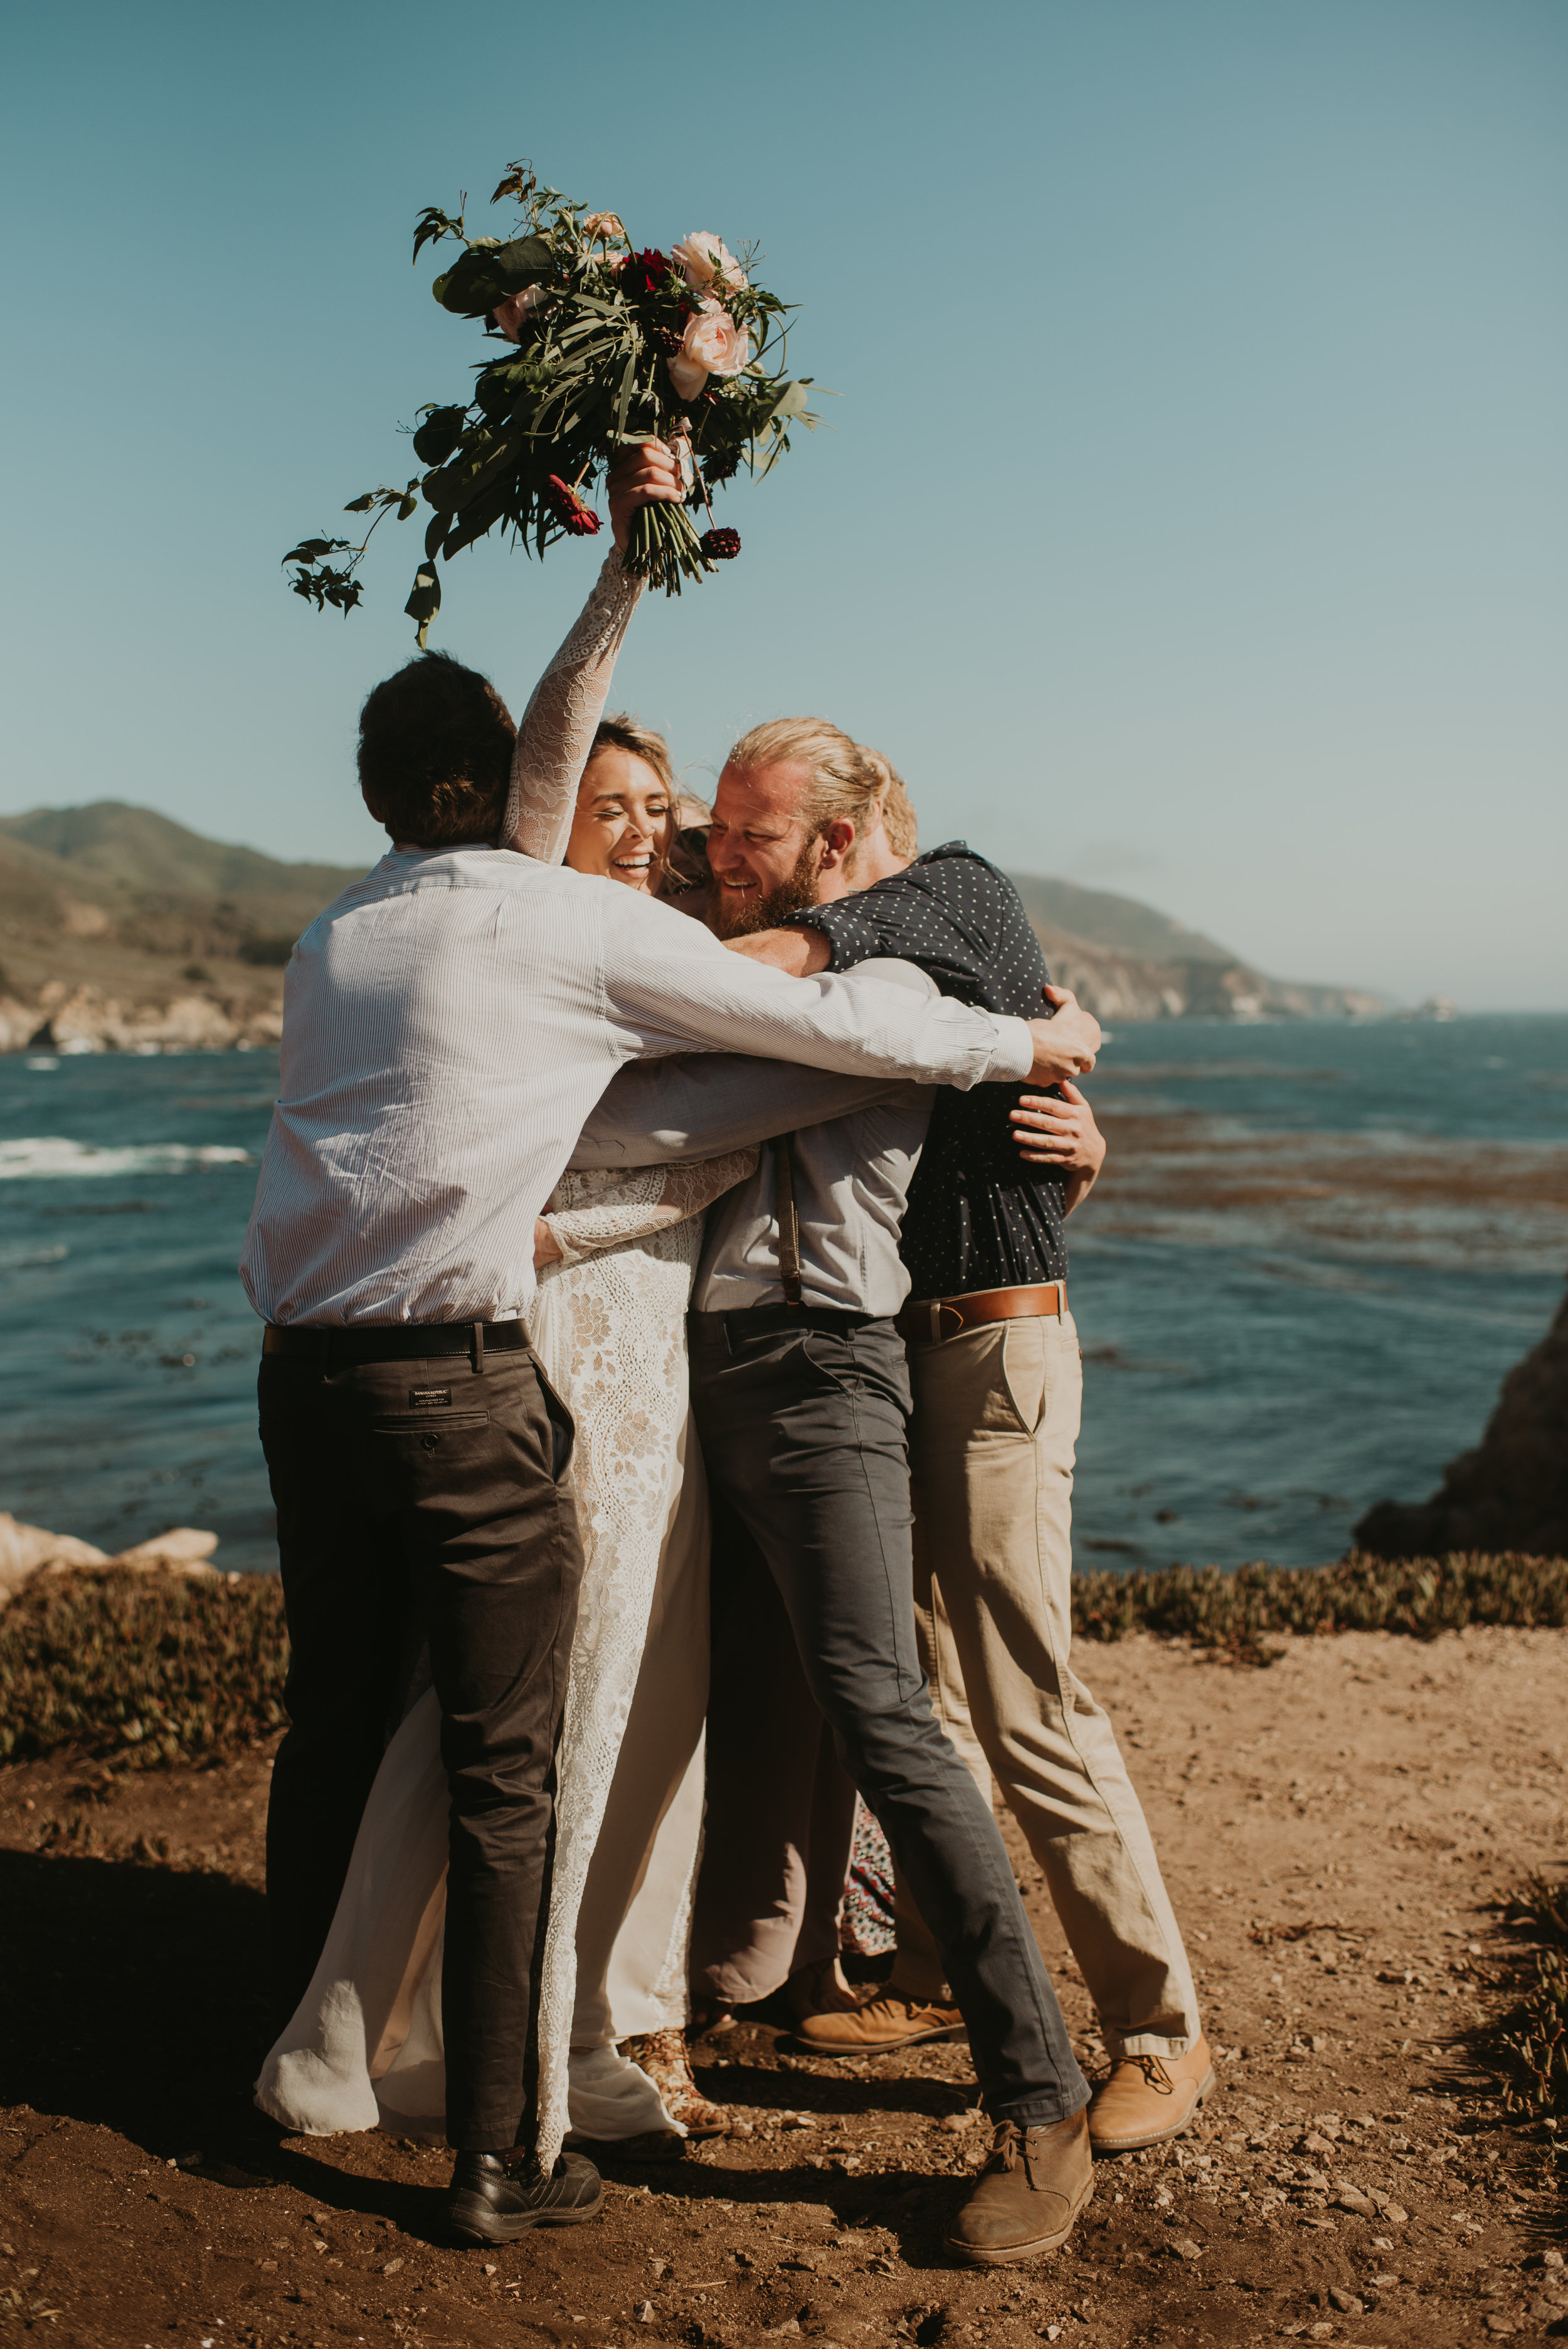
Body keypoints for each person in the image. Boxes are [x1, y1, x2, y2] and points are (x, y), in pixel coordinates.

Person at [241, 476, 1084, 2251]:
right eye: (619, 806)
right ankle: (491, 2094)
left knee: (627, 1709)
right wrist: (1008, 1044)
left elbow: (773, 1068)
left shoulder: (360, 935)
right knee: (518, 1730)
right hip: (563, 1353)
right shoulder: (577, 939)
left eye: (679, 812)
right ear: (531, 802)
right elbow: (776, 1072)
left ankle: (594, 2024)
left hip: (498, 1363)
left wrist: (1025, 1108)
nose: (662, 834)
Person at [707, 719, 1211, 2156]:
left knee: (1028, 1699)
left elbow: (773, 971)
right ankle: (929, 1971)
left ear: (842, 833)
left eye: (758, 830)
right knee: (920, 1685)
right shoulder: (885, 971)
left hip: (989, 1347)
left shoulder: (951, 891)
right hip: (899, 1353)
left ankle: (1160, 2031)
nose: (731, 856)